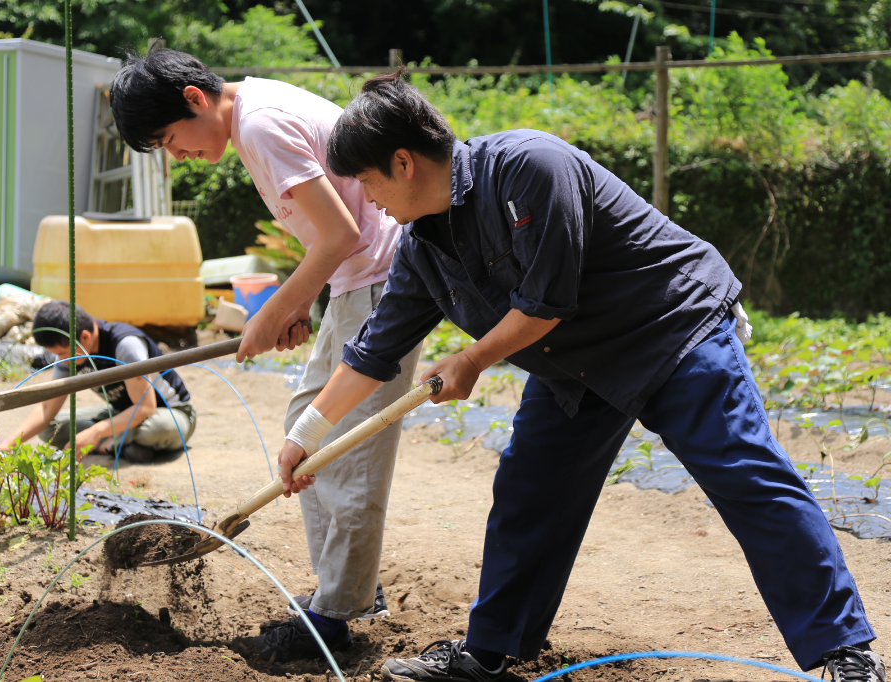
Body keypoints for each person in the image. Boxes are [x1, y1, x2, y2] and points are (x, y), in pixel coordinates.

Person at [274, 72, 885, 682]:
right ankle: (486, 657)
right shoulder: (420, 247)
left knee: (745, 474)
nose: (367, 198)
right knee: (529, 491)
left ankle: (847, 655)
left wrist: (469, 360)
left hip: (670, 327)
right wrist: (307, 435)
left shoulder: (530, 166)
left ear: (402, 162)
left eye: (366, 181)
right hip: (577, 364)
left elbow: (545, 302)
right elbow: (373, 353)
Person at [109, 49, 423, 660]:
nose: (181, 156)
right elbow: (333, 229)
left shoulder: (259, 123)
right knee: (305, 429)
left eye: (173, 140)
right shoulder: (256, 111)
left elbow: (342, 234)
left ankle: (334, 615)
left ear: (195, 99)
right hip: (359, 281)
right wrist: (301, 302)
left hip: (385, 280)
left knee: (345, 448)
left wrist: (274, 310)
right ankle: (350, 587)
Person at [0, 301, 196, 462]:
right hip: (122, 413)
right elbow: (48, 408)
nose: (62, 360)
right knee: (51, 428)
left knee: (158, 429)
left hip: (169, 413)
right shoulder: (70, 354)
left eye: (63, 353)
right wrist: (10, 444)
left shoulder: (125, 345)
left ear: (84, 337)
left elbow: (145, 408)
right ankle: (122, 445)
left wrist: (96, 433)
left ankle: (106, 444)